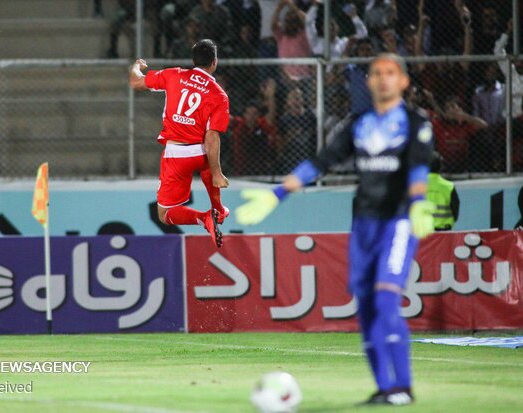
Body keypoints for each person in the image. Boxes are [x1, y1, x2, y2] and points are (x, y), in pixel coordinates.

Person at [237, 53, 435, 405]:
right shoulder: (359, 122)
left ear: (403, 81)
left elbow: (419, 167)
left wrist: (418, 203)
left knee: (387, 299)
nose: (383, 79)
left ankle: (403, 388)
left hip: (397, 220)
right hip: (363, 225)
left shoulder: (416, 121)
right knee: (367, 308)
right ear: (369, 81)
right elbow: (322, 161)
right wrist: (279, 193)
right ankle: (383, 389)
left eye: (390, 73)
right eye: (376, 73)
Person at [129, 39, 230, 247]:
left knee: (165, 214)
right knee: (207, 165)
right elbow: (212, 137)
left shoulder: (173, 75)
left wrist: (136, 66)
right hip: (200, 152)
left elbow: (135, 82)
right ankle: (218, 208)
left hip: (177, 154)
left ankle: (204, 218)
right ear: (214, 62)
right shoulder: (219, 94)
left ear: (193, 60)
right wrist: (217, 172)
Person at [427, 152, 459, 231]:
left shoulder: (416, 185)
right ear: (441, 166)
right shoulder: (449, 186)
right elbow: (455, 209)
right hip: (444, 232)